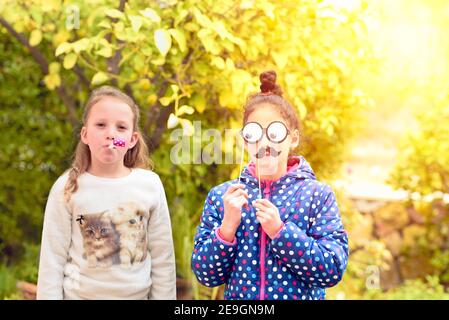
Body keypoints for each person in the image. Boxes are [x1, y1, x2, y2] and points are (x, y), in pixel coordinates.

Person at [191, 71, 348, 300]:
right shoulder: (223, 197)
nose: (264, 142)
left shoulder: (317, 195)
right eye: (254, 133)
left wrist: (280, 232)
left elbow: (332, 269)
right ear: (245, 141)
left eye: (274, 133)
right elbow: (206, 276)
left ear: (292, 138)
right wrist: (226, 229)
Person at [37, 86, 176, 299]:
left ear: (132, 139)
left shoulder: (150, 185)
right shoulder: (67, 187)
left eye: (121, 127)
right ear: (85, 134)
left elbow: (163, 260)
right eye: (100, 125)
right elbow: (52, 261)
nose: (110, 134)